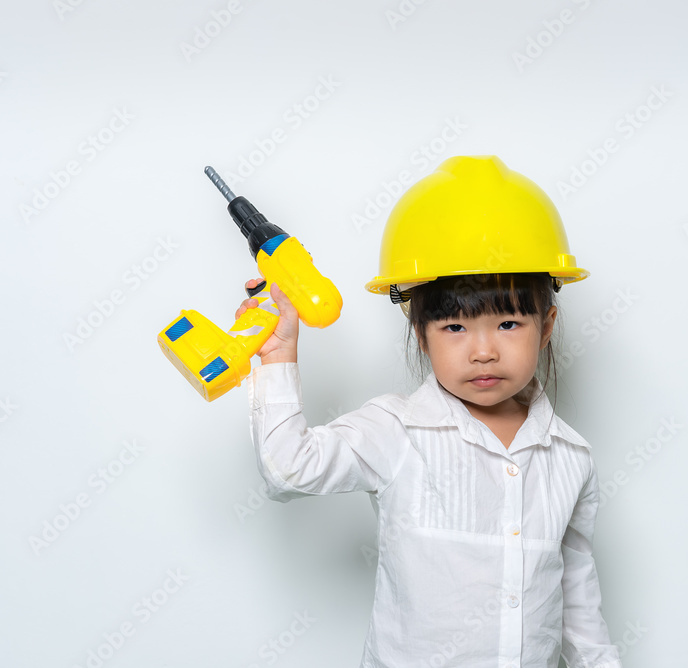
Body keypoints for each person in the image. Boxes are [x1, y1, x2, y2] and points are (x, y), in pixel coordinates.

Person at [235, 156, 621, 668]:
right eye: (455, 328)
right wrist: (279, 353)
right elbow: (288, 469)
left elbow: (576, 595)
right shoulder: (396, 431)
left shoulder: (570, 455)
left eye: (508, 324)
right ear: (421, 334)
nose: (483, 350)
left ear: (546, 325)